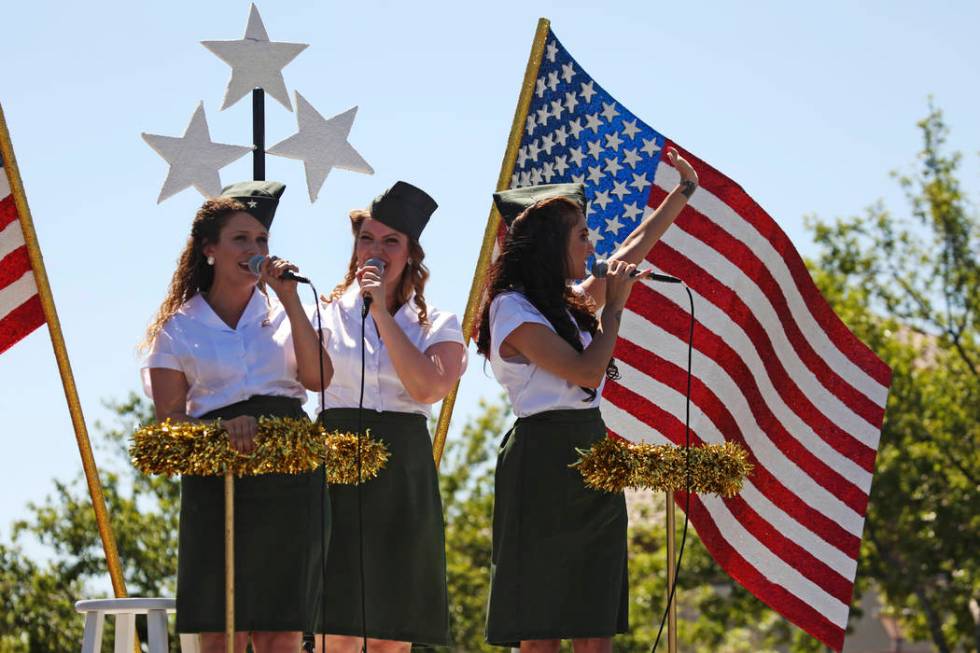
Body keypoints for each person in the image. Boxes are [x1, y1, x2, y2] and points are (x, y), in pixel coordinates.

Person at [478, 148, 699, 653]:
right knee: (541, 625)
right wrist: (615, 309)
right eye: (581, 234)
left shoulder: (570, 301)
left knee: (592, 615)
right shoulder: (511, 307)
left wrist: (681, 195)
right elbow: (584, 369)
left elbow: (631, 250)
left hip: (591, 450)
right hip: (542, 459)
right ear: (550, 244)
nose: (591, 243)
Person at [140, 181, 329, 653]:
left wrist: (288, 298)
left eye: (262, 240)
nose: (255, 249)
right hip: (216, 476)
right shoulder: (177, 328)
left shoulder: (286, 310)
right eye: (241, 239)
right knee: (223, 628)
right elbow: (169, 422)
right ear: (209, 250)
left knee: (280, 628)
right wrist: (216, 431)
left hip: (288, 472)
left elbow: (318, 377)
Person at [313, 181, 466, 652]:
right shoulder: (319, 312)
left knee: (389, 636)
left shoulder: (436, 323)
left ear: (411, 255)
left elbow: (428, 387)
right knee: (332, 630)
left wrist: (381, 312)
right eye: (366, 239)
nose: (375, 251)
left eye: (390, 242)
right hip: (333, 467)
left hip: (402, 471)